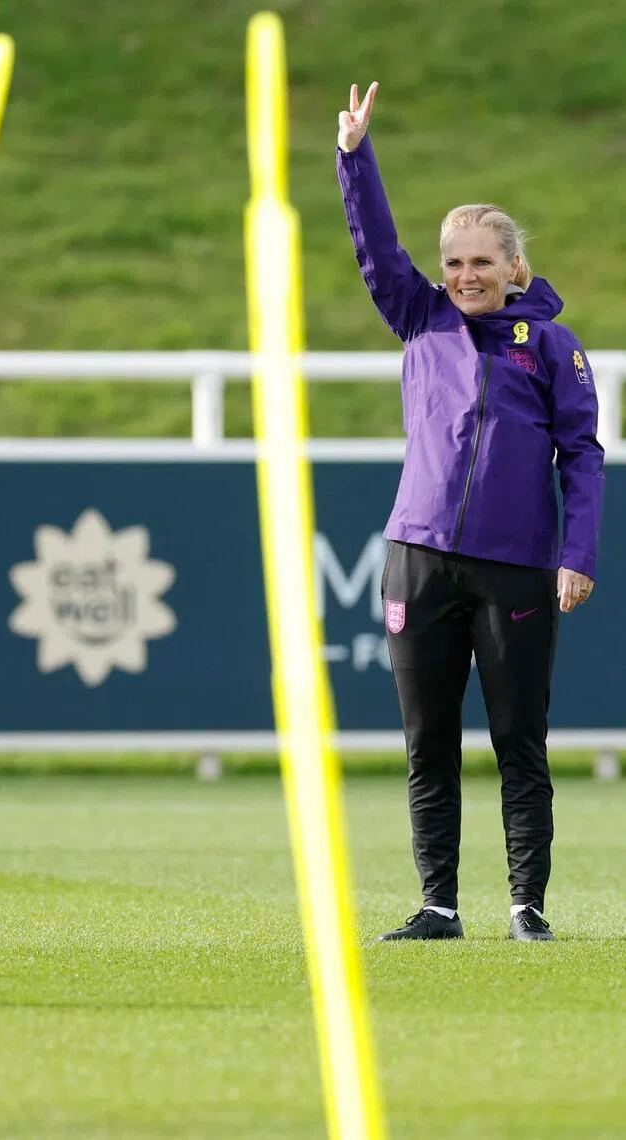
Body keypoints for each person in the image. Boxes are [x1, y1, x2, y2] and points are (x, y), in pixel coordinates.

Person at [336, 84, 605, 943]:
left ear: (514, 269)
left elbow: (584, 455)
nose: (464, 276)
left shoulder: (552, 348)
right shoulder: (419, 319)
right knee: (428, 743)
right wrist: (355, 156)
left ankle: (527, 907)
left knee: (519, 741)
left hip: (516, 565)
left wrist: (578, 551)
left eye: (482, 262)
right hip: (417, 556)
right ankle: (439, 907)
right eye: (454, 262)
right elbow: (377, 248)